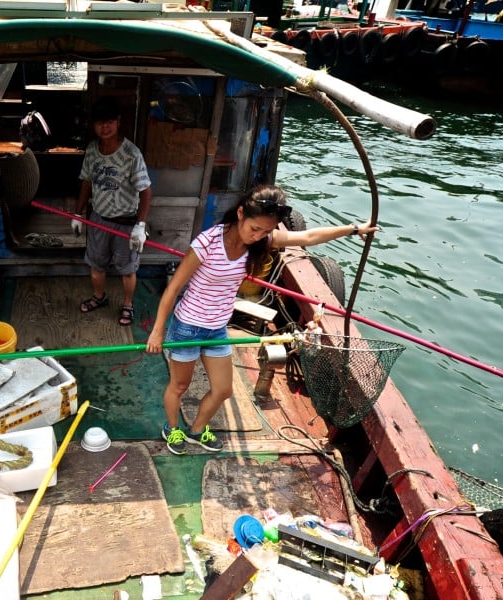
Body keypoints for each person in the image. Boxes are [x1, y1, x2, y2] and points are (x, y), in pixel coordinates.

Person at [146, 184, 379, 455]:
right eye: (255, 228)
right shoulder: (207, 242)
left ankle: (196, 431)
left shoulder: (263, 242)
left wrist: (353, 229)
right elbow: (173, 288)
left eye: (266, 232)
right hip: (188, 326)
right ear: (241, 213)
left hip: (216, 329)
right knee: (179, 386)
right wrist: (158, 331)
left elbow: (309, 235)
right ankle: (172, 429)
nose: (258, 237)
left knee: (222, 390)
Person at [71, 96, 153, 327]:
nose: (104, 127)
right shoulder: (91, 151)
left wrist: (140, 225)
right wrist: (78, 214)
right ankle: (100, 297)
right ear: (93, 125)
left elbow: (146, 191)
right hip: (99, 219)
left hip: (126, 223)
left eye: (109, 122)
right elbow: (86, 182)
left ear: (118, 122)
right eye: (99, 123)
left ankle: (128, 304)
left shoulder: (131, 154)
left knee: (127, 269)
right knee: (96, 266)